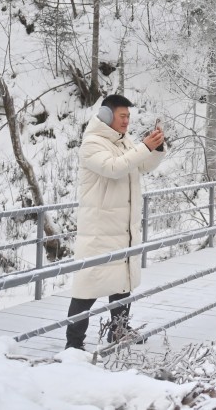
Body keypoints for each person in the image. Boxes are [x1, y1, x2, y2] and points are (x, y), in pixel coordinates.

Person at [65, 94, 166, 350]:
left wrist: (156, 148)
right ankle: (73, 343)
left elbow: (139, 166)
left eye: (128, 117)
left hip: (121, 227)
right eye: (122, 116)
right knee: (87, 287)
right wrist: (143, 147)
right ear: (107, 116)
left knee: (122, 283)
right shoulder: (92, 144)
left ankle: (119, 331)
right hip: (99, 229)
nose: (126, 121)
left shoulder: (123, 142)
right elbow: (114, 168)